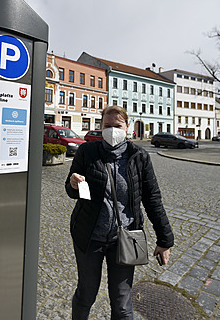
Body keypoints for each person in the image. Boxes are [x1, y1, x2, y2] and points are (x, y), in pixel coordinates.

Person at [66, 105, 174, 320]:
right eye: (107, 126)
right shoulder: (88, 152)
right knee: (86, 294)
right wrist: (73, 184)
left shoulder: (139, 157)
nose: (112, 130)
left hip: (124, 239)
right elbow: (72, 191)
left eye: (117, 126)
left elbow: (153, 199)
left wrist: (165, 240)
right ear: (101, 126)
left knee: (122, 304)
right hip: (89, 237)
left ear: (127, 127)